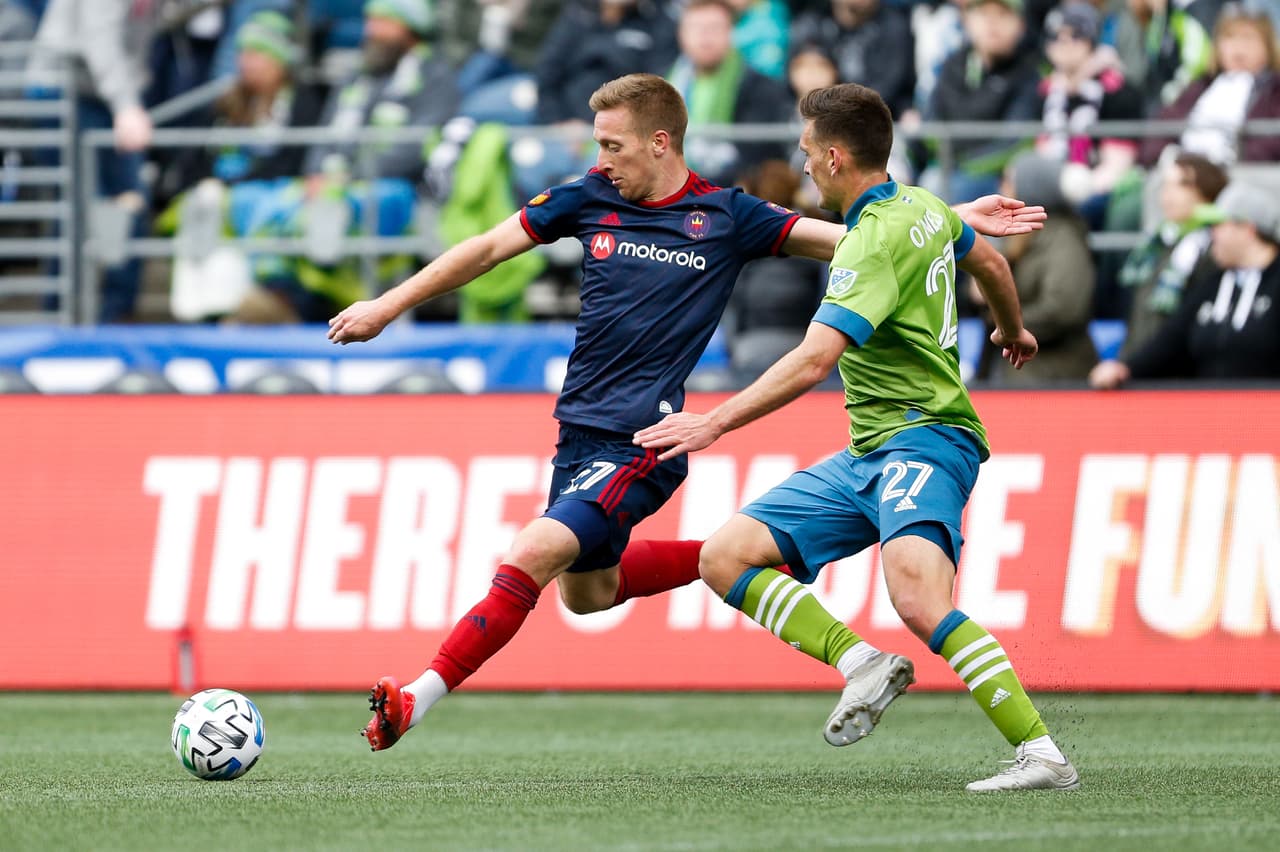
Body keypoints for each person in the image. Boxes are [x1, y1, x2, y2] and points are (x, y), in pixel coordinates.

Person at [328, 73, 1048, 753]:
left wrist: (943, 220)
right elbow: (488, 248)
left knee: (533, 552)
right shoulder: (585, 198)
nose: (600, 158)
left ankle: (414, 697)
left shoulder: (726, 216)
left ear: (660, 143)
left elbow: (857, 237)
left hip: (644, 439)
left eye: (612, 145)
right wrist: (387, 306)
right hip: (577, 439)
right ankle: (740, 572)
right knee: (588, 593)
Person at [632, 82, 1079, 792]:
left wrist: (713, 421)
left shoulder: (870, 244)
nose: (803, 164)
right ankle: (862, 663)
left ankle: (1043, 754)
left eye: (809, 152)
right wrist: (1010, 326)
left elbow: (814, 359)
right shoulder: (923, 205)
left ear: (836, 158)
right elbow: (990, 262)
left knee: (918, 598)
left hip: (929, 438)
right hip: (870, 449)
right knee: (726, 556)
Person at [1089, 180, 1280, 387]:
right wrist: (1125, 370)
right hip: (1213, 413)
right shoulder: (1214, 284)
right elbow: (1171, 340)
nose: (1212, 234)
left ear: (1247, 229)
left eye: (1218, 225)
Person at [973, 152, 1097, 386]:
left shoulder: (1064, 240)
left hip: (1054, 376)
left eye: (1009, 181)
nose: (1002, 188)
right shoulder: (1016, 236)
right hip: (1017, 371)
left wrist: (1005, 324)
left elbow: (1065, 308)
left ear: (1029, 191)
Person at [668, 0, 793, 186]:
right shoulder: (666, 83)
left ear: (731, 32)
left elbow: (754, 154)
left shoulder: (760, 86)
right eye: (696, 28)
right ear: (681, 34)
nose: (705, 37)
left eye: (714, 28)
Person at [1115, 151, 1227, 357]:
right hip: (1140, 368)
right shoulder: (1155, 244)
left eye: (1183, 184)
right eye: (1165, 185)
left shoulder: (1217, 249)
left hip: (1181, 378)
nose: (1168, 193)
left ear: (1208, 190)